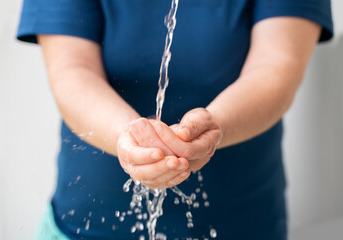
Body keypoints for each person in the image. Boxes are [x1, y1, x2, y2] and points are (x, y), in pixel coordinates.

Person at [17, 0, 333, 239]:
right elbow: (72, 72)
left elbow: (278, 66)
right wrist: (130, 138)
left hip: (239, 226)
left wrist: (215, 124)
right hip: (86, 228)